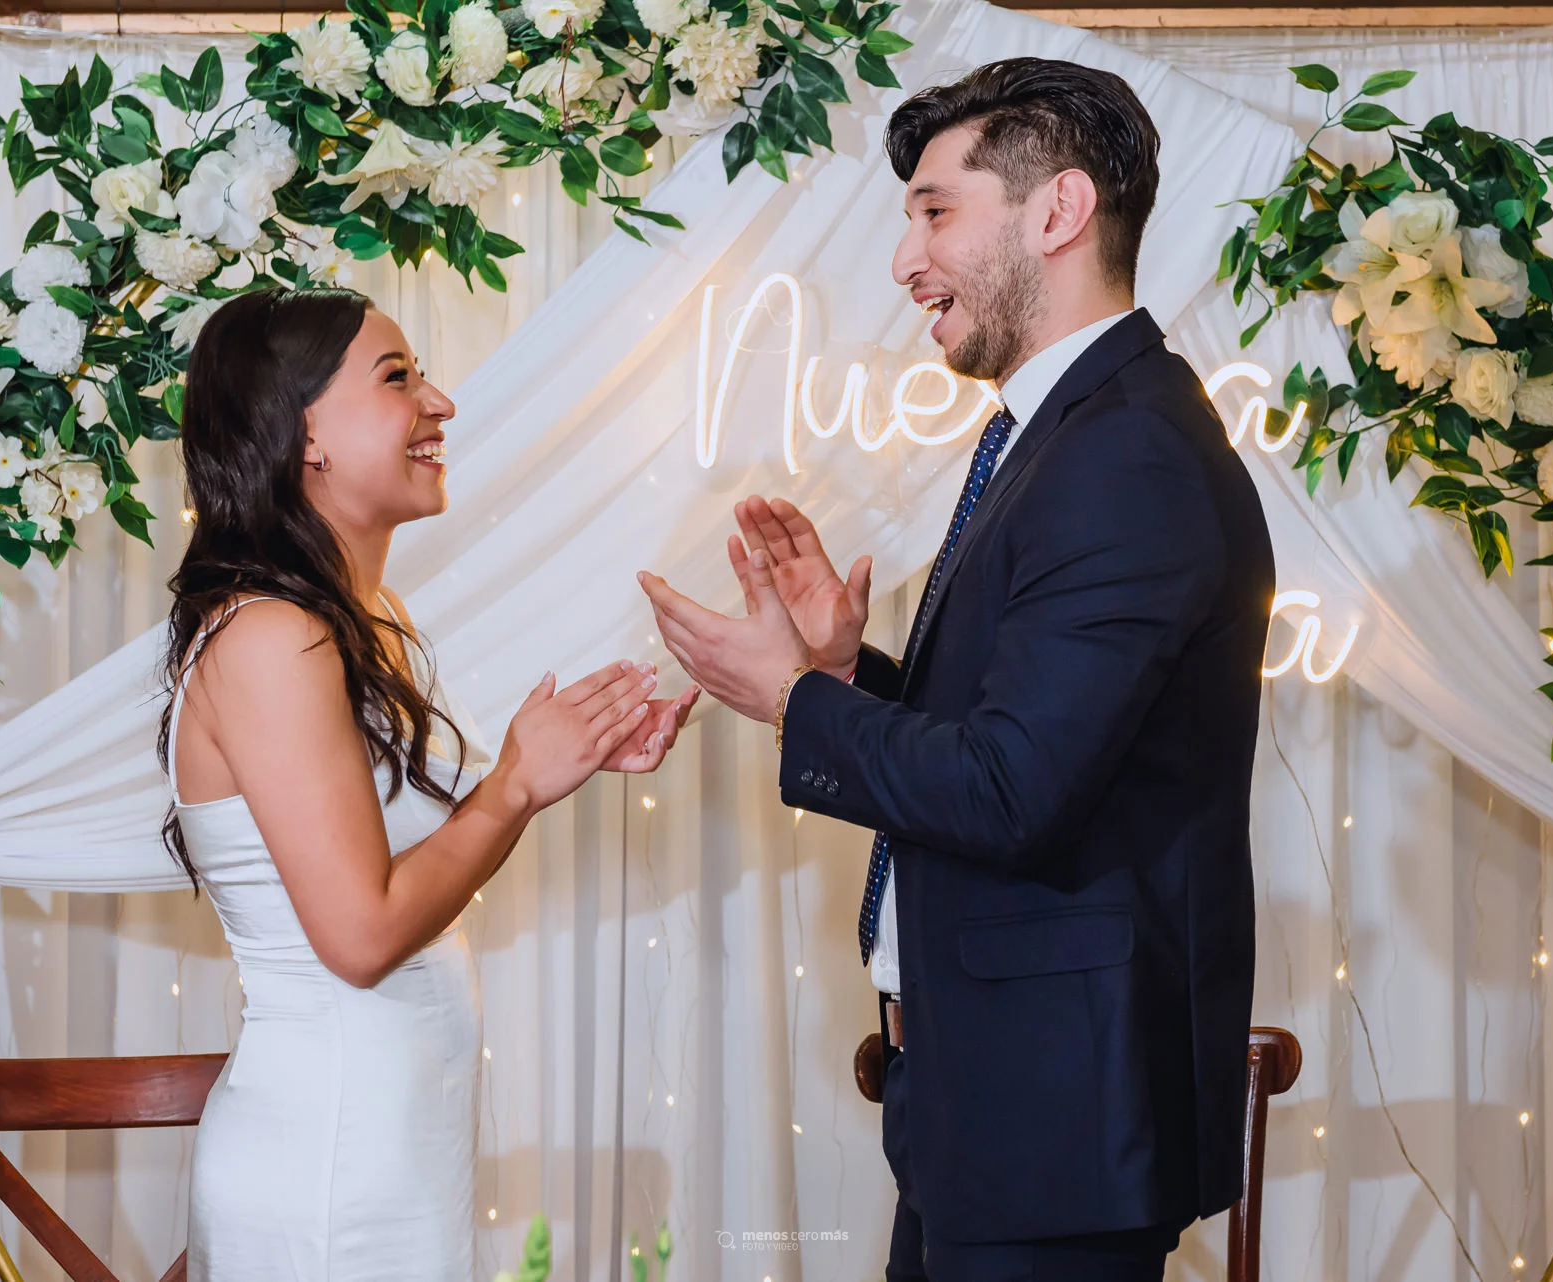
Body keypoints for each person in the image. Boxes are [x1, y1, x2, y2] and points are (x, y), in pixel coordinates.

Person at [639, 58, 1275, 1281]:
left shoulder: (1126, 453)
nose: (903, 259)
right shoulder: (1066, 432)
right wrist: (845, 668)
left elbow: (1009, 790)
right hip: (1001, 1105)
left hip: (1059, 1120)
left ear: (1057, 212)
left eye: (935, 210)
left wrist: (791, 696)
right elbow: (1022, 731)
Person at [162, 287, 697, 1280]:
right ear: (303, 432)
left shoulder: (374, 617)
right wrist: (514, 788)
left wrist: (575, 752)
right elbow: (361, 935)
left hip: (396, 1154)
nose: (441, 402)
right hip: (327, 1168)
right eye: (399, 377)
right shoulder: (271, 637)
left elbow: (394, 852)